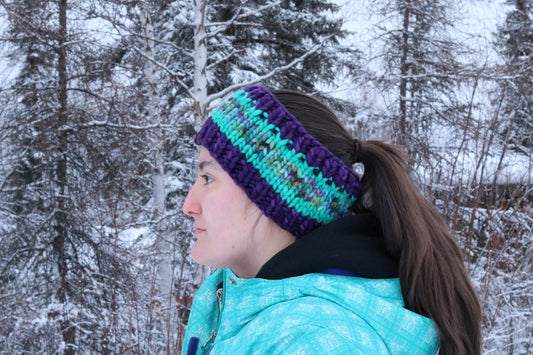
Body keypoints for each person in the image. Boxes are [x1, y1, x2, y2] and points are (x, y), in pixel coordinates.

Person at [181, 85, 481, 354]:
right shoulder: (228, 300)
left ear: (274, 194)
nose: (188, 205)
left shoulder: (315, 341)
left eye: (208, 178)